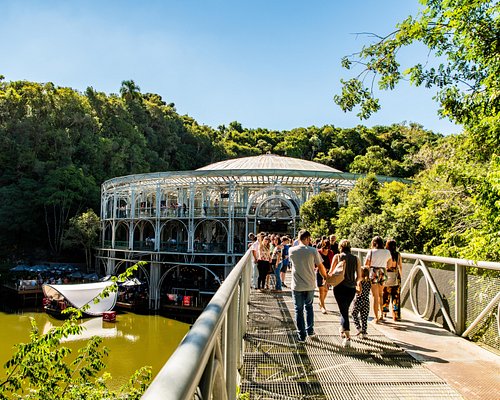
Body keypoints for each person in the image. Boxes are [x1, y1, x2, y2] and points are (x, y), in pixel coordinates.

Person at [289, 230, 328, 342]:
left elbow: (294, 248)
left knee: (298, 310)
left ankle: (301, 335)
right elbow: (320, 266)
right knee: (309, 307)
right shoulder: (313, 250)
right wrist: (325, 277)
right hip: (310, 284)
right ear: (307, 239)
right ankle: (310, 330)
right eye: (309, 239)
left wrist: (297, 241)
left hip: (296, 285)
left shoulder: (292, 250)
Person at [329, 239, 361, 347]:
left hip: (339, 287)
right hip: (351, 288)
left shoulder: (337, 257)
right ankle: (342, 328)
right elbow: (359, 277)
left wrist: (327, 281)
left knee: (343, 311)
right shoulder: (356, 258)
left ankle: (347, 337)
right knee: (345, 309)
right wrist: (356, 284)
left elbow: (331, 272)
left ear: (340, 247)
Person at [365, 236, 392, 323]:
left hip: (373, 272)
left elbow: (366, 264)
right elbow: (390, 265)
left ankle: (376, 318)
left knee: (374, 296)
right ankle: (381, 315)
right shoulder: (387, 252)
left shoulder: (371, 252)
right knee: (381, 294)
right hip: (383, 271)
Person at [383, 239, 403, 321]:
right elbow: (400, 266)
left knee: (385, 294)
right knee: (396, 296)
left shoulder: (385, 254)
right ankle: (396, 314)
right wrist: (400, 276)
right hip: (395, 276)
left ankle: (384, 311)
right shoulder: (398, 255)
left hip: (387, 275)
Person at [352, 258, 371, 339]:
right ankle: (364, 333)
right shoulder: (369, 281)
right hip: (366, 300)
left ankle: (358, 328)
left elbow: (359, 292)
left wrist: (353, 289)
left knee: (354, 314)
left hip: (359, 300)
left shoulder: (360, 281)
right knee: (364, 318)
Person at [317, 239, 333, 314]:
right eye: (325, 247)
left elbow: (332, 263)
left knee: (326, 290)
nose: (326, 249)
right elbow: (316, 263)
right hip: (320, 273)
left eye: (327, 247)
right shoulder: (318, 252)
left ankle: (321, 302)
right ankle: (322, 306)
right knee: (321, 290)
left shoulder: (331, 253)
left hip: (328, 273)